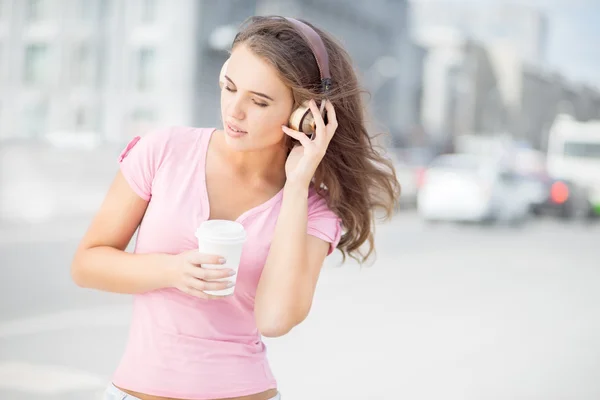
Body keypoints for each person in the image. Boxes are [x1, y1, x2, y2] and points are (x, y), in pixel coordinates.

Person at [71, 15, 400, 400]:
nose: (234, 111)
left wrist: (295, 187)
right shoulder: (163, 152)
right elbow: (86, 264)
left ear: (306, 114)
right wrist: (172, 270)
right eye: (229, 88)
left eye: (259, 101)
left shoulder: (314, 209)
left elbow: (276, 319)